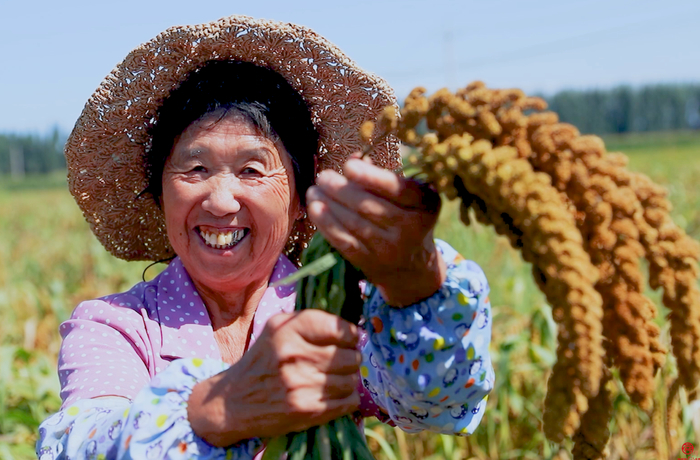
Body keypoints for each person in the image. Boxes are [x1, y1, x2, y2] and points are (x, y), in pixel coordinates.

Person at [37, 15, 493, 460]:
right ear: (160, 194)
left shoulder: (340, 310)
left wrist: (415, 280)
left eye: (252, 170)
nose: (220, 201)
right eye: (195, 169)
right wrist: (221, 407)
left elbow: (437, 404)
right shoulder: (117, 327)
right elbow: (83, 443)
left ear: (302, 199)